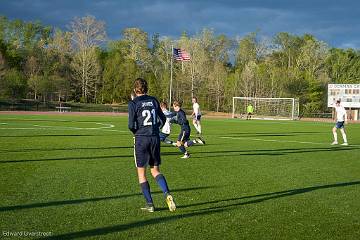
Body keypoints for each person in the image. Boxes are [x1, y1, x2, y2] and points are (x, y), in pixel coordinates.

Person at [128, 78, 176, 212]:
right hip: (154, 138)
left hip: (141, 139)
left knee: (141, 174)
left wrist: (136, 132)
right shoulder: (154, 100)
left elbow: (131, 125)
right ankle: (167, 194)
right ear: (146, 88)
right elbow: (164, 118)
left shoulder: (133, 103)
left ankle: (150, 204)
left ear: (135, 89)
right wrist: (156, 129)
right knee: (155, 170)